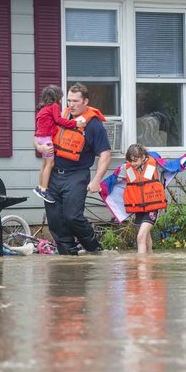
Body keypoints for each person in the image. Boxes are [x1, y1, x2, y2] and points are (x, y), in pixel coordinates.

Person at [34, 82, 111, 255]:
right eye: (69, 101)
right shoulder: (61, 116)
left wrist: (97, 180)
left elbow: (105, 155)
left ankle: (94, 249)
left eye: (76, 101)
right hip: (53, 175)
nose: (71, 105)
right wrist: (40, 148)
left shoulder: (94, 125)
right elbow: (38, 135)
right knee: (55, 221)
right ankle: (68, 259)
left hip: (76, 176)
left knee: (72, 217)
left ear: (85, 101)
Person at [33, 85, 86, 203]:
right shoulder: (54, 106)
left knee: (44, 164)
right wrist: (75, 124)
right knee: (50, 164)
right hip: (47, 139)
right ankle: (43, 189)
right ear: (56, 97)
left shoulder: (43, 108)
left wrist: (39, 145)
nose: (63, 101)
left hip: (40, 138)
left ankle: (39, 186)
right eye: (62, 98)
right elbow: (59, 120)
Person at [117, 144, 167, 254]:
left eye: (135, 161)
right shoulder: (126, 168)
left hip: (152, 208)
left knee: (140, 237)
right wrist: (99, 186)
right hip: (138, 209)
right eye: (130, 161)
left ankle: (141, 268)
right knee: (147, 242)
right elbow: (113, 180)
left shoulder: (155, 164)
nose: (133, 164)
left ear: (143, 156)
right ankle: (149, 266)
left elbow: (171, 166)